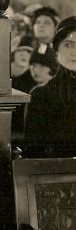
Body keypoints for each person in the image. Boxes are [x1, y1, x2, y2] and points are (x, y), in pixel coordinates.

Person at [24, 17, 76, 158]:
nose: (74, 52)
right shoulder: (40, 94)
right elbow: (34, 153)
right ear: (57, 49)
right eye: (68, 45)